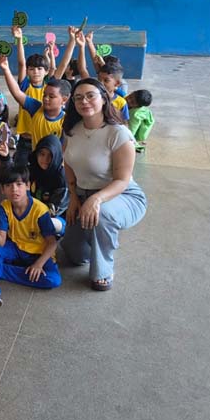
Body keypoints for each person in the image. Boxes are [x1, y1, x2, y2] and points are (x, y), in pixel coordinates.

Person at [60, 78, 147, 291]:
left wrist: (96, 199)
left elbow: (122, 180)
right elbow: (68, 163)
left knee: (103, 215)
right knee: (75, 256)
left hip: (121, 195)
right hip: (83, 193)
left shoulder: (118, 133)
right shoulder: (72, 129)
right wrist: (73, 197)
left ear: (104, 98)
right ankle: (99, 235)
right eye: (78, 98)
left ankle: (104, 270)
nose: (84, 101)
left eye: (91, 95)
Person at [0, 165, 62, 309]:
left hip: (38, 253)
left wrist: (38, 264)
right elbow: (1, 242)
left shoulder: (40, 210)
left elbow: (52, 243)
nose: (14, 189)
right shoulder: (4, 207)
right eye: (9, 185)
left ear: (28, 186)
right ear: (2, 189)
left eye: (19, 184)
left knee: (53, 279)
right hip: (15, 248)